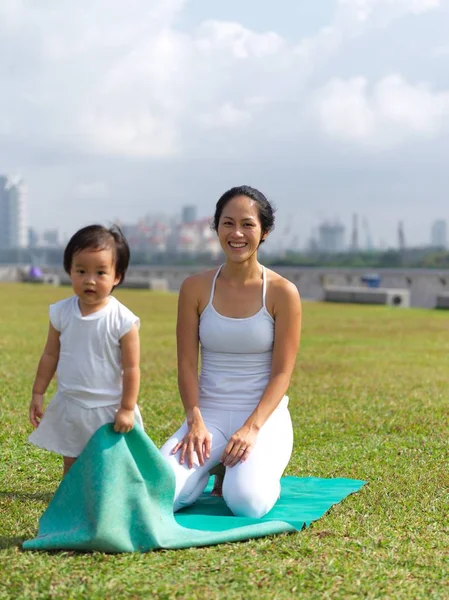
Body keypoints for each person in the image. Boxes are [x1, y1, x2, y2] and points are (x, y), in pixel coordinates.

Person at [160, 186, 302, 518]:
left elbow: (283, 373)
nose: (237, 233)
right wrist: (194, 420)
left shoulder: (283, 292)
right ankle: (208, 472)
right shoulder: (195, 287)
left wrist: (252, 428)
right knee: (159, 494)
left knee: (246, 503)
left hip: (262, 418)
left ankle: (255, 473)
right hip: (207, 417)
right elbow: (185, 363)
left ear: (264, 232)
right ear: (216, 228)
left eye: (247, 224)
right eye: (228, 223)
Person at [28, 224, 143, 476]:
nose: (89, 280)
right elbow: (50, 354)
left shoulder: (122, 320)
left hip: (108, 407)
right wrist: (38, 392)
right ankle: (72, 500)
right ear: (70, 270)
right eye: (81, 271)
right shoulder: (61, 312)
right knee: (72, 459)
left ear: (117, 276)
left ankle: (106, 499)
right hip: (72, 402)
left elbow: (131, 368)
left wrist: (126, 408)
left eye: (100, 272)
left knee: (108, 462)